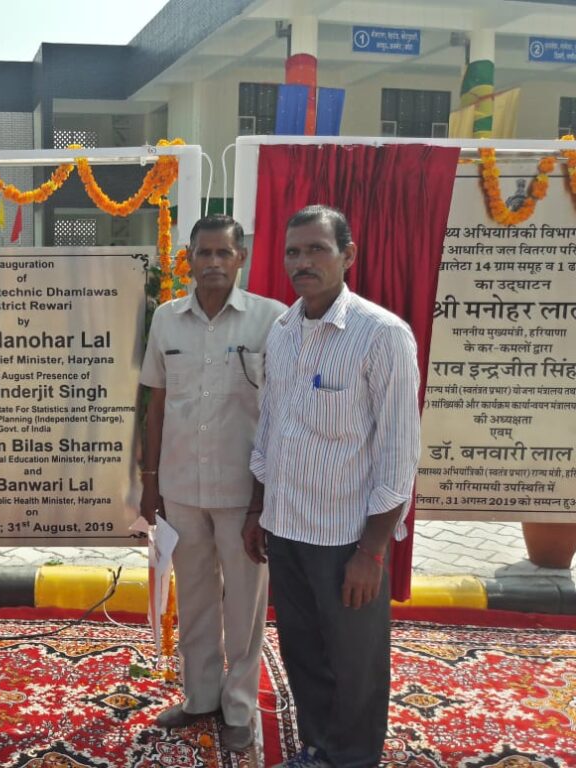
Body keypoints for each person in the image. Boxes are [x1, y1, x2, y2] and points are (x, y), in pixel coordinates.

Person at [244, 205, 421, 768]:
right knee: (303, 650)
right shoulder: (282, 332)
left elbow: (399, 454)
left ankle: (354, 758)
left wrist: (372, 551)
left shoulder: (382, 335)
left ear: (348, 256)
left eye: (316, 249)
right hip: (286, 528)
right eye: (293, 251)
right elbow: (270, 427)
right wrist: (258, 509)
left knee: (354, 660)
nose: (302, 262)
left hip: (346, 537)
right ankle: (320, 747)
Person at [139, 213, 286, 752]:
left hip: (244, 493)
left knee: (244, 604)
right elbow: (156, 404)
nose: (214, 263)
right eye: (204, 253)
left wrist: (264, 500)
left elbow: (281, 412)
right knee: (196, 597)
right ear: (190, 259)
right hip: (180, 487)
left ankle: (239, 707)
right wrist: (150, 481)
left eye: (224, 252)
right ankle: (200, 696)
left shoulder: (271, 320)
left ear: (240, 257)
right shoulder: (167, 320)